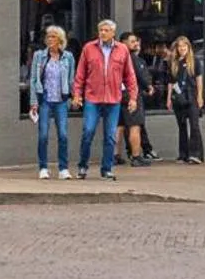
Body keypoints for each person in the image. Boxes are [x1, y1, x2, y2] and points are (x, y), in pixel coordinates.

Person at [70, 19, 139, 181]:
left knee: (110, 136)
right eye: (101, 30)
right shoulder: (89, 48)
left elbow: (130, 76)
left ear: (113, 33)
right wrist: (77, 95)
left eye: (106, 30)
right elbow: (80, 74)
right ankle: (82, 166)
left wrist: (133, 98)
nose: (103, 33)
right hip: (92, 97)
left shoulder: (122, 50)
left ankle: (107, 169)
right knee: (88, 131)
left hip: (113, 99)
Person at [28, 25, 75, 179]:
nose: (50, 40)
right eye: (48, 37)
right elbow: (34, 80)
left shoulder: (68, 57)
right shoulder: (39, 56)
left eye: (53, 37)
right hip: (45, 99)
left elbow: (71, 79)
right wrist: (33, 102)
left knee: (63, 134)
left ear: (60, 40)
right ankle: (43, 167)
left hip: (61, 100)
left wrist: (74, 96)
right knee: (43, 135)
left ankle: (63, 168)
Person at [167, 34, 205, 164]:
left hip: (192, 95)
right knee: (181, 126)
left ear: (188, 47)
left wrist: (200, 95)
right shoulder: (174, 63)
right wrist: (169, 98)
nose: (182, 48)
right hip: (179, 97)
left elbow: (199, 79)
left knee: (194, 125)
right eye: (180, 46)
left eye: (184, 46)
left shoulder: (195, 61)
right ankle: (183, 154)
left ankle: (196, 154)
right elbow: (171, 82)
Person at [120, 31, 154, 168]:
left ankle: (115, 155)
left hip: (117, 93)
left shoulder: (114, 55)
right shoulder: (131, 57)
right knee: (135, 125)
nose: (136, 44)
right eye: (133, 41)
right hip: (131, 94)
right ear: (124, 42)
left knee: (119, 125)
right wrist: (149, 86)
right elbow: (139, 75)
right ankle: (136, 156)